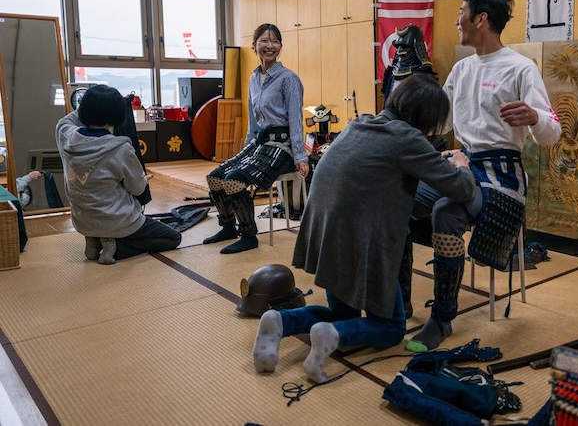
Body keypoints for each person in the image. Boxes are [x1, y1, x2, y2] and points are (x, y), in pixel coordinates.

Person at [252, 74, 475, 383]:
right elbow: (461, 189)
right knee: (391, 328)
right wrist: (462, 163)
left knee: (344, 312)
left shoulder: (362, 123)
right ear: (425, 118)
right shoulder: (408, 139)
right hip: (359, 241)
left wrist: (431, 159)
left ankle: (279, 321)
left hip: (323, 232)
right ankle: (332, 335)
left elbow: (384, 164)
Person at [405, 0, 562, 352]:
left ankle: (442, 318)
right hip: (461, 164)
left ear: (481, 18)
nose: (456, 19)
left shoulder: (521, 68)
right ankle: (397, 303)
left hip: (502, 177)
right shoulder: (461, 69)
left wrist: (535, 115)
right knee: (401, 200)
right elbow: (439, 124)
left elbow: (551, 133)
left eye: (461, 11)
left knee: (446, 211)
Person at [202, 23, 309, 254]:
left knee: (233, 180)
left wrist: (301, 156)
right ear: (254, 45)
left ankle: (249, 235)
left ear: (280, 46)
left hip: (283, 147)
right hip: (259, 144)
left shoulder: (289, 79)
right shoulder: (253, 78)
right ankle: (228, 227)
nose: (269, 46)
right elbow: (252, 121)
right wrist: (245, 151)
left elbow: (295, 119)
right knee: (215, 177)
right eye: (264, 40)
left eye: (275, 41)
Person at [55, 85, 182, 264]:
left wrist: (92, 105)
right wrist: (143, 180)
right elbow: (137, 189)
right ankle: (115, 248)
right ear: (118, 116)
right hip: (116, 221)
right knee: (172, 238)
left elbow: (66, 120)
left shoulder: (65, 135)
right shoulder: (120, 149)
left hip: (82, 220)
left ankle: (94, 240)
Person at [380, 23, 443, 319]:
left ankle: (401, 298)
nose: (401, 51)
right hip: (391, 146)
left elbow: (434, 123)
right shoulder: (392, 72)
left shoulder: (425, 77)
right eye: (398, 47)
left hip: (419, 146)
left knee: (400, 213)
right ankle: (392, 295)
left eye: (406, 47)